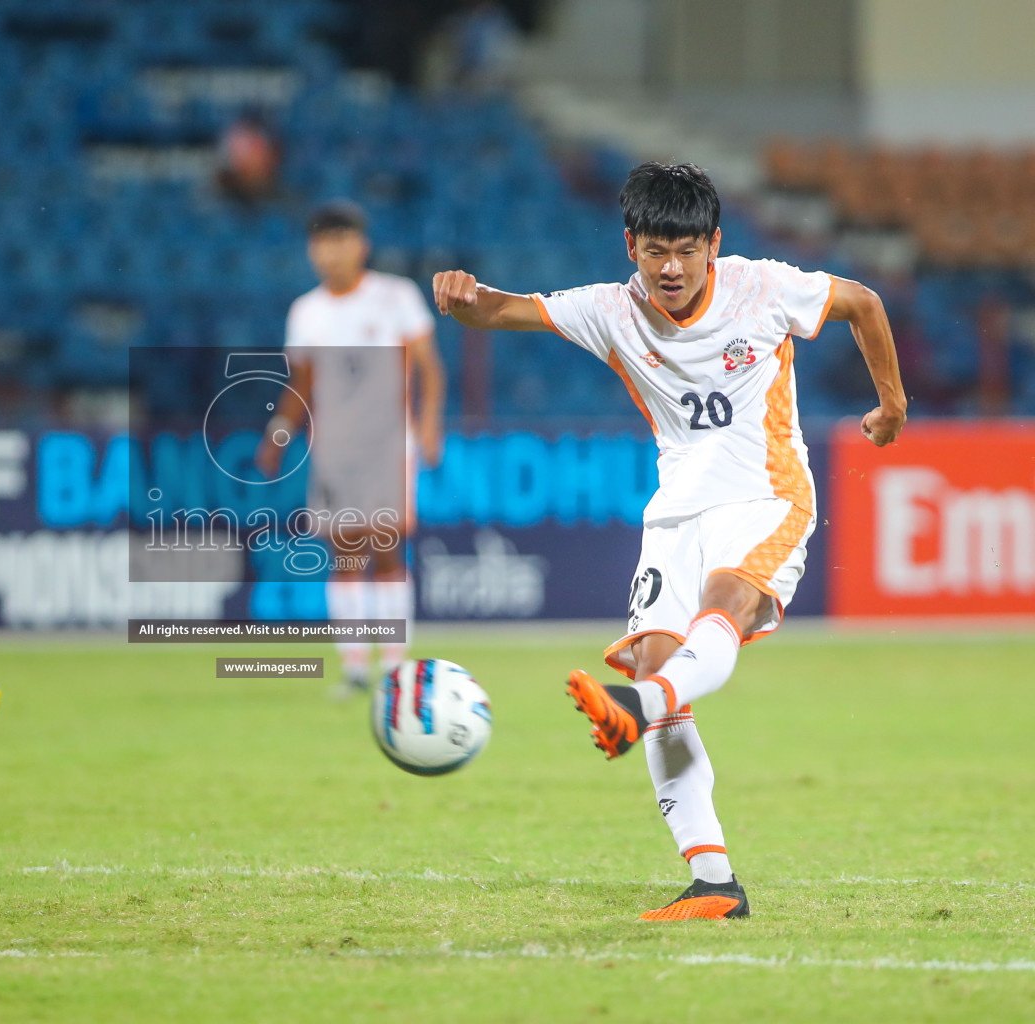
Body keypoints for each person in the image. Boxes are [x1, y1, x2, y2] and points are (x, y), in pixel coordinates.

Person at [432, 162, 907, 920]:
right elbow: (502, 312)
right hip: (676, 511)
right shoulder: (610, 311)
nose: (673, 267)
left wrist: (891, 405)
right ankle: (714, 881)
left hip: (766, 494)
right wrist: (464, 296)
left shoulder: (762, 286)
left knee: (721, 608)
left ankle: (635, 705)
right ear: (631, 246)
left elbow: (864, 302)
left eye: (688, 248)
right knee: (662, 663)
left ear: (715, 243)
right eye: (657, 250)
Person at [257, 201, 446, 697]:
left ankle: (393, 666)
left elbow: (429, 366)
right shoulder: (307, 311)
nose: (331, 252)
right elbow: (301, 383)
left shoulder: (395, 296)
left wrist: (428, 427)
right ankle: (356, 667)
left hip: (388, 443)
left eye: (340, 240)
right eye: (322, 243)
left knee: (386, 550)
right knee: (343, 554)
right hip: (335, 448)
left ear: (360, 244)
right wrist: (278, 434)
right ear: (311, 250)